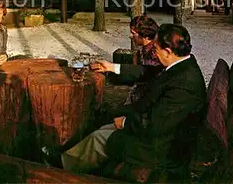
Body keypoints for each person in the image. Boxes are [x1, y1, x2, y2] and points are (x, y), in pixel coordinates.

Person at [53, 24, 206, 181]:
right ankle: (66, 158)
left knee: (100, 138)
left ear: (168, 52)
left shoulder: (185, 83)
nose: (154, 52)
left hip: (163, 149)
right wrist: (112, 67)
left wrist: (125, 123)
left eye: (156, 48)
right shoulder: (182, 64)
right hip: (156, 130)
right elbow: (146, 71)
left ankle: (59, 173)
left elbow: (156, 125)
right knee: (104, 120)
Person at [96, 15, 164, 105]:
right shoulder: (142, 49)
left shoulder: (154, 52)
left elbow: (145, 74)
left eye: (133, 33)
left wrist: (111, 68)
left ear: (145, 35)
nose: (130, 36)